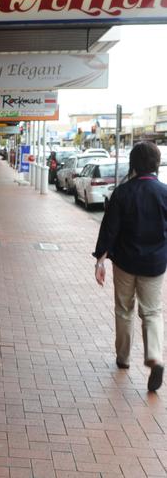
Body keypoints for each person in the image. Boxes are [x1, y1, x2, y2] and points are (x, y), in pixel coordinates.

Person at [93, 141, 167, 392]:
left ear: (133, 164)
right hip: (155, 264)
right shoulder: (164, 192)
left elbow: (110, 229)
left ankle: (123, 358)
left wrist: (100, 259)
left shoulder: (122, 193)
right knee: (153, 312)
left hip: (125, 262)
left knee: (124, 309)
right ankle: (154, 356)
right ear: (155, 164)